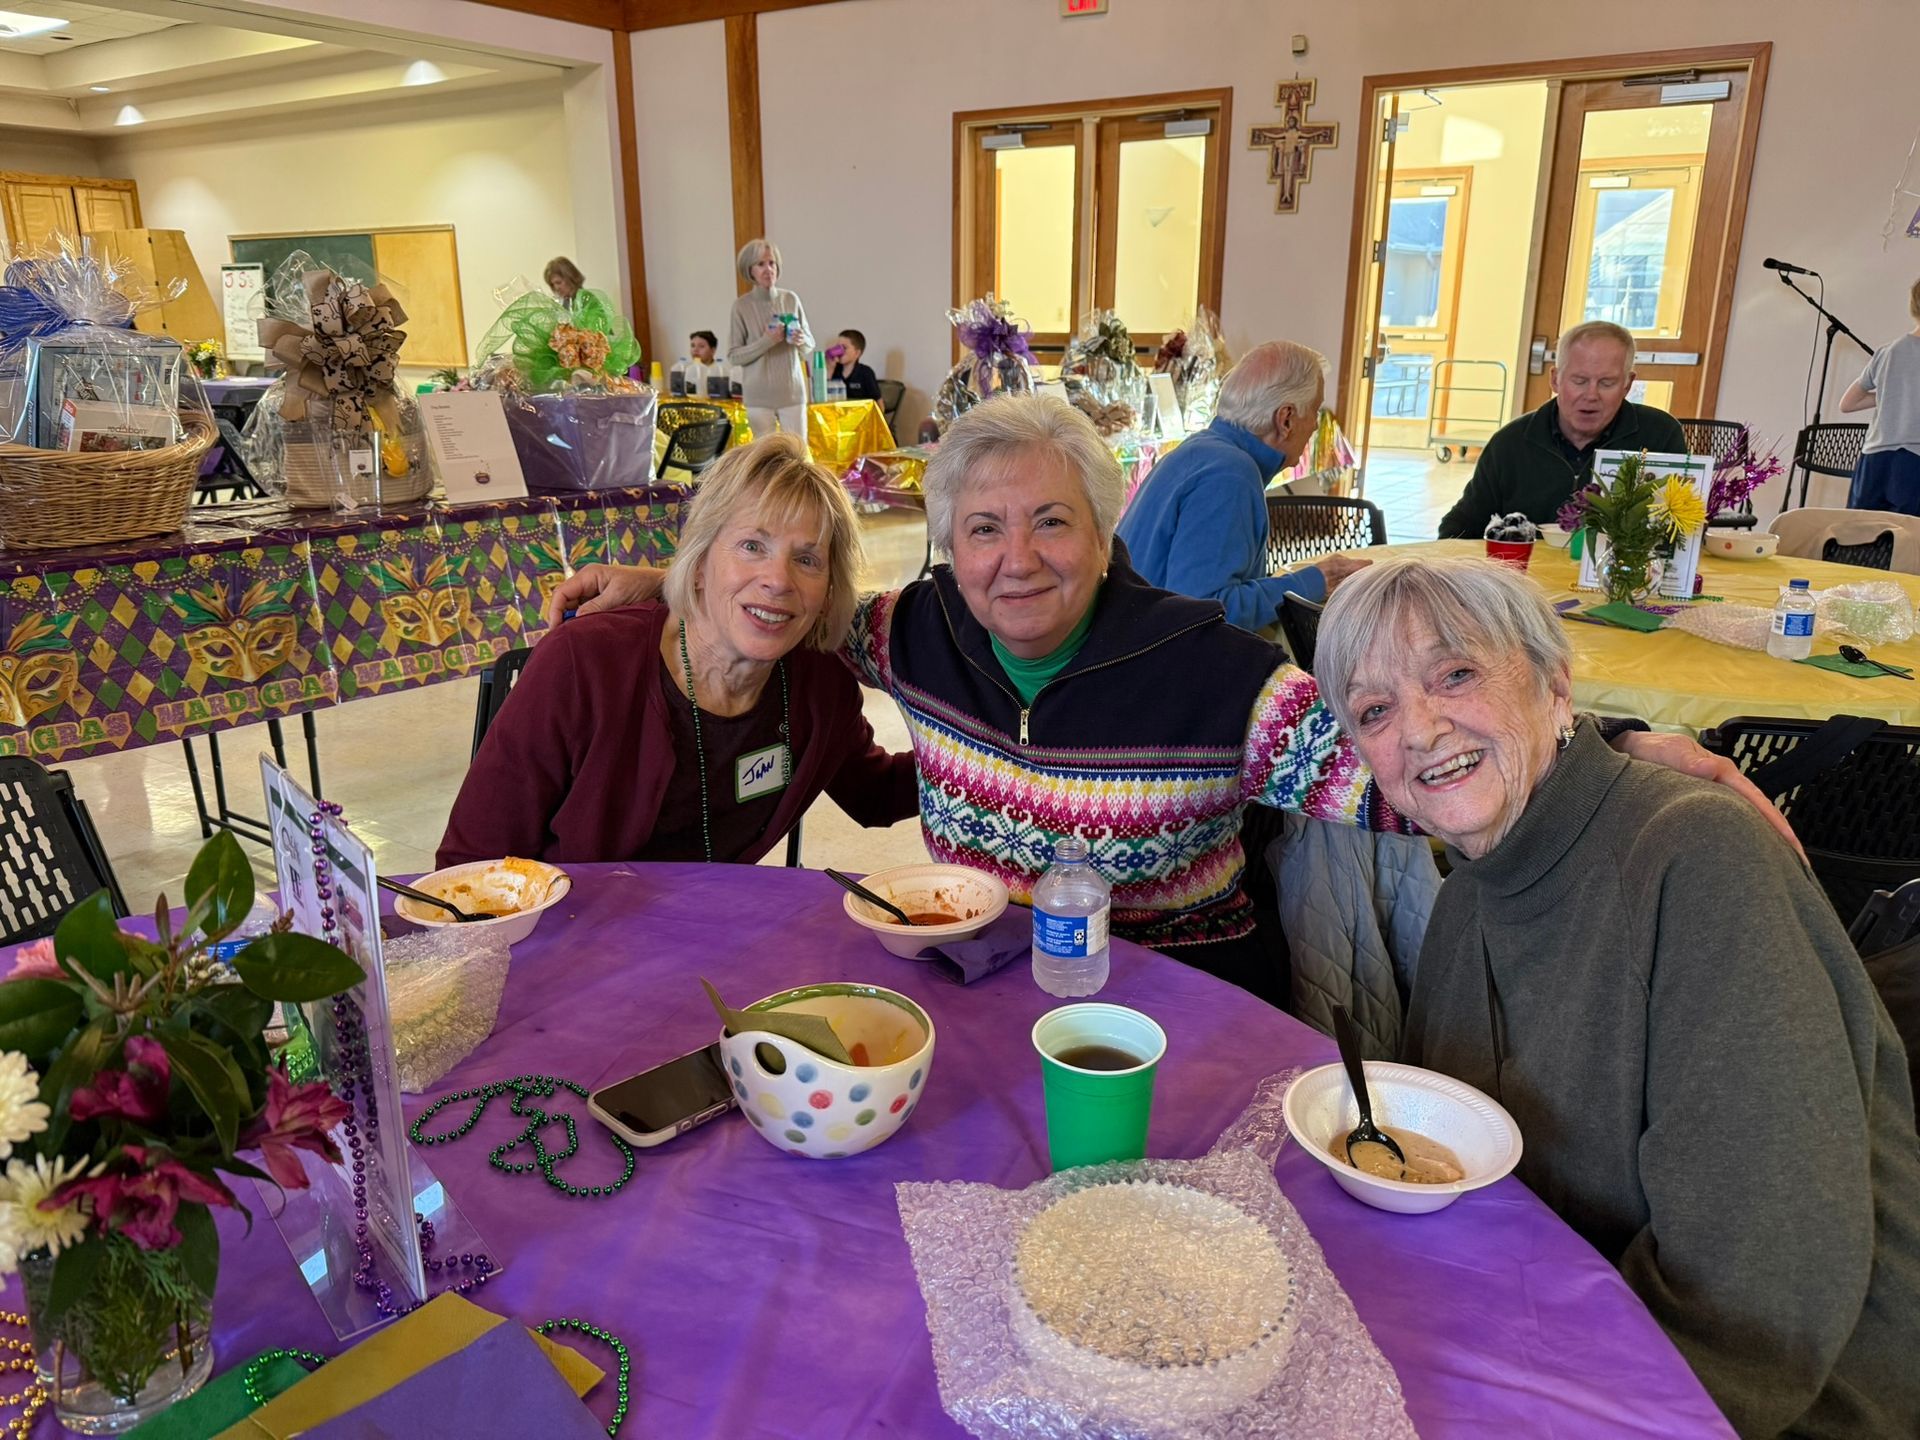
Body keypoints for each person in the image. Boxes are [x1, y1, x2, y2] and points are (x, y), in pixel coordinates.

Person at [546, 396, 1795, 1005]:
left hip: (1180, 1010)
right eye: (982, 529)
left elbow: (1415, 765)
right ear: (946, 547)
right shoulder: (912, 630)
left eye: (1052, 523)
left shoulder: (1212, 672)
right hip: (981, 986)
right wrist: (666, 585)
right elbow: (789, 607)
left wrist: (1603, 745)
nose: (1016, 560)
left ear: (1106, 537)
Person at [1314, 553, 1920, 1440]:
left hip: (1746, 1398)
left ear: (1557, 687)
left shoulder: (1697, 861)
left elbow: (1757, 1297)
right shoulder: (1470, 897)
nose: (1421, 728)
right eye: (1375, 710)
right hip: (1564, 1331)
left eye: (1457, 674)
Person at [438, 434, 915, 868]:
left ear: (829, 590)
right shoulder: (583, 665)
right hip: (570, 925)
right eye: (752, 546)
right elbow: (470, 864)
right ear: (700, 560)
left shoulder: (820, 684)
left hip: (716, 928)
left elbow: (876, 793)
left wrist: (963, 744)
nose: (778, 580)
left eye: (807, 560)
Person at [1115, 340, 1370, 633]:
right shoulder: (1230, 474)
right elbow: (1203, 612)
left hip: (1130, 636)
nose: (1315, 425)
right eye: (1314, 410)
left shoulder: (1204, 449)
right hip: (1145, 651)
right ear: (1286, 419)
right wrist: (1316, 581)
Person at [1438, 321, 1687, 538]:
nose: (1591, 395)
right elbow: (1459, 527)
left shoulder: (1660, 436)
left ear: (1627, 384)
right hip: (1529, 575)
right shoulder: (1510, 443)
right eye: (1579, 381)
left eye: (1606, 383)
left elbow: (1682, 530)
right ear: (1555, 379)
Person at [1840, 276, 1920, 516]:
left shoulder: (1887, 351)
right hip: (1914, 462)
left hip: (1873, 461)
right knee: (1909, 535)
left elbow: (1848, 403)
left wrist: (1893, 395)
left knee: (1859, 531)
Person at [728, 238, 811, 441]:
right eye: (761, 264)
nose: (768, 269)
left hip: (792, 394)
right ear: (750, 270)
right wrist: (767, 341)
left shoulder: (791, 299)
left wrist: (801, 340)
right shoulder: (741, 306)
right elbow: (734, 356)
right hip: (758, 398)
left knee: (797, 452)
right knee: (766, 456)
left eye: (772, 263)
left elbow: (809, 346)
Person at [828, 330, 881, 402]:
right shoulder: (835, 369)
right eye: (838, 347)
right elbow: (823, 394)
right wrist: (830, 368)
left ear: (857, 353)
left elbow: (878, 400)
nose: (840, 351)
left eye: (844, 348)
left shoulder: (866, 372)